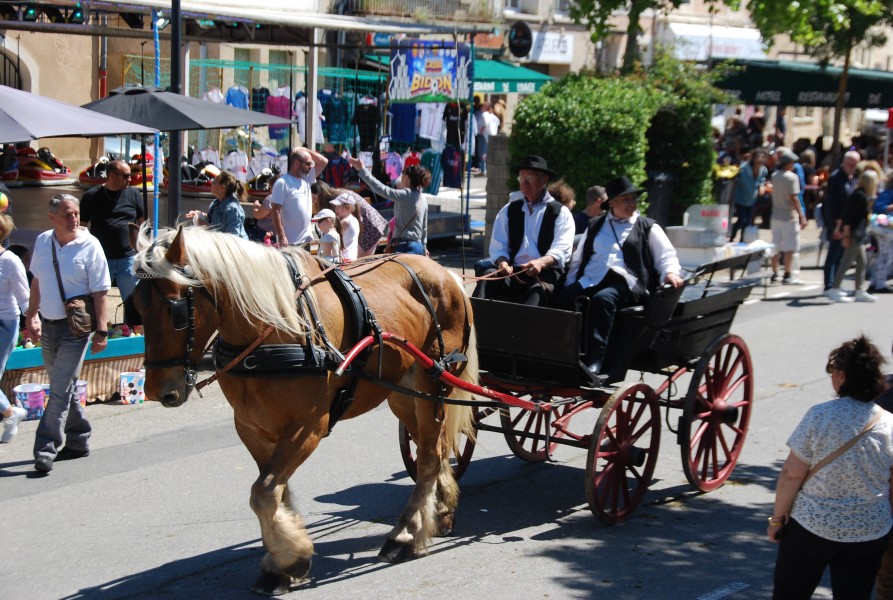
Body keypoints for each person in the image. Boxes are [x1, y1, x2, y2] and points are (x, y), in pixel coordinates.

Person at [769, 335, 893, 600]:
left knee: (790, 593)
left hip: (812, 525)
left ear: (843, 376)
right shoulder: (889, 424)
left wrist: (777, 519)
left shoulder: (820, 414)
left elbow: (792, 473)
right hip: (869, 529)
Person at [556, 175, 683, 380]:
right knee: (562, 298)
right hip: (591, 278)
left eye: (634, 199)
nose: (632, 204)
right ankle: (560, 354)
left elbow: (666, 255)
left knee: (603, 299)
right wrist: (571, 284)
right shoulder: (596, 225)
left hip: (627, 283)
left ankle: (596, 360)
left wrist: (670, 272)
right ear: (612, 202)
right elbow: (578, 260)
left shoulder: (648, 227)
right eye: (627, 199)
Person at [24, 194, 110, 474]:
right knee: (64, 387)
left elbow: (100, 292)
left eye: (75, 213)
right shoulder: (43, 241)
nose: (73, 218)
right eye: (66, 214)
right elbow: (37, 280)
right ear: (52, 218)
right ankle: (79, 438)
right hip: (48, 325)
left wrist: (102, 331)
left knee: (58, 390)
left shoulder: (90, 245)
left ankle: (45, 448)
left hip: (77, 329)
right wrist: (31, 314)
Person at [476, 155, 574, 306]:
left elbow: (562, 249)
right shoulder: (509, 210)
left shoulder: (560, 213)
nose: (524, 183)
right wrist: (503, 262)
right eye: (521, 178)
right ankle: (472, 325)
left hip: (544, 274)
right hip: (514, 271)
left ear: (544, 180)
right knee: (487, 278)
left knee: (536, 292)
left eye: (530, 179)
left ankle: (523, 328)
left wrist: (541, 262)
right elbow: (498, 245)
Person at [79, 159, 144, 301]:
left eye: (130, 175)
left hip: (128, 258)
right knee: (97, 298)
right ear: (111, 176)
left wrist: (143, 250)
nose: (130, 179)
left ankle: (132, 323)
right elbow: (81, 227)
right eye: (125, 176)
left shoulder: (134, 194)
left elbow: (143, 224)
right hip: (100, 258)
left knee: (132, 300)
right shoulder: (91, 196)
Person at [347, 154, 429, 255]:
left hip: (404, 246)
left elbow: (382, 189)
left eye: (403, 175)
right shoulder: (423, 199)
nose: (401, 178)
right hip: (418, 247)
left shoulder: (406, 194)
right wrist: (424, 247)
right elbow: (424, 228)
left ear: (407, 178)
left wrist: (362, 170)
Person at [826, 170, 879, 303]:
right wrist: (846, 235)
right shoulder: (858, 196)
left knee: (862, 262)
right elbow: (848, 217)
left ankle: (859, 290)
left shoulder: (863, 195)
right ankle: (835, 288)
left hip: (858, 233)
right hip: (854, 233)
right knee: (847, 261)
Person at [0, 213, 28, 442]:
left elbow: (24, 297)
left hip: (5, 323)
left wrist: (35, 322)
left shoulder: (10, 260)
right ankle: (11, 413)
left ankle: (10, 414)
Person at [311, 181, 388, 258]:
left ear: (321, 195)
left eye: (314, 198)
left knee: (360, 262)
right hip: (370, 224)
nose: (313, 201)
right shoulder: (336, 196)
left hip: (370, 226)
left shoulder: (338, 198)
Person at [823, 151, 861, 290]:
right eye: (850, 164)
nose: (853, 167)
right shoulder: (836, 178)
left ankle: (836, 284)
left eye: (855, 164)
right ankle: (829, 285)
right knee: (833, 253)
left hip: (847, 223)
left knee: (841, 254)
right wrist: (834, 226)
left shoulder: (853, 178)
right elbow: (831, 204)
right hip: (837, 223)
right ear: (844, 162)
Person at [769, 149, 807, 284]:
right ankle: (787, 273)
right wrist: (802, 215)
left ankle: (774, 272)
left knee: (776, 244)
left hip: (776, 214)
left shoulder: (775, 176)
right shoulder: (792, 178)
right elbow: (794, 198)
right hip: (788, 216)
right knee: (789, 246)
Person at [185, 170, 248, 239]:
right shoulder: (217, 203)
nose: (211, 183)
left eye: (214, 182)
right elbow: (212, 221)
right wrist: (199, 216)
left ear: (222, 188)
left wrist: (209, 229)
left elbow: (233, 237)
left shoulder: (232, 209)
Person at [271, 149, 314, 247]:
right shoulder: (282, 183)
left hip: (307, 241)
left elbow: (323, 162)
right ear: (296, 163)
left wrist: (303, 148)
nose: (310, 167)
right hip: (290, 243)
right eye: (307, 164)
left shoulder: (306, 180)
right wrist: (282, 236)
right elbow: (275, 211)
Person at [730, 149, 768, 242]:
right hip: (740, 198)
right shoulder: (744, 168)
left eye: (762, 157)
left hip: (752, 199)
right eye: (758, 157)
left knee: (748, 221)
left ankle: (742, 240)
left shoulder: (763, 170)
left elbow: (761, 181)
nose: (760, 159)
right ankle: (732, 237)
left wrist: (761, 187)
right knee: (742, 219)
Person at [869, 173, 893, 294]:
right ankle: (879, 284)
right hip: (885, 229)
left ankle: (876, 282)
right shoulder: (889, 193)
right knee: (886, 256)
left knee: (886, 256)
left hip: (888, 230)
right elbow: (878, 206)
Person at [330, 192, 360, 262]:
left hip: (343, 258)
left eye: (338, 207)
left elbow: (330, 236)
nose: (335, 210)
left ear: (348, 207)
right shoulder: (354, 219)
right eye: (335, 207)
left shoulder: (345, 222)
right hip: (352, 257)